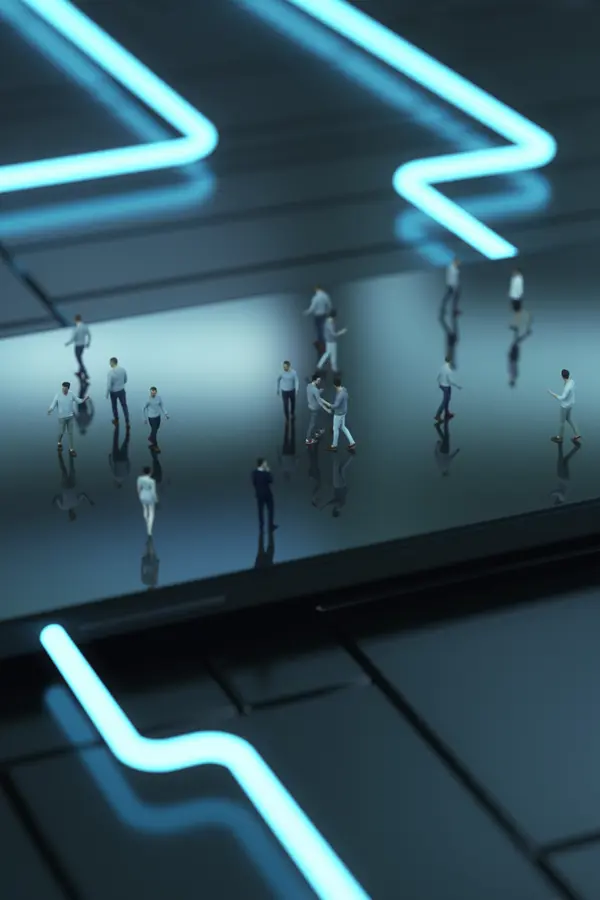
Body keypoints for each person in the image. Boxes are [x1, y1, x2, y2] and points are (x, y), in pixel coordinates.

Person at [47, 381, 89, 457]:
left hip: (70, 417)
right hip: (62, 417)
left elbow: (78, 401)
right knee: (61, 432)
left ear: (68, 388)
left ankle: (71, 449)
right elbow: (54, 403)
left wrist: (84, 399)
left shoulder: (71, 394)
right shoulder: (58, 395)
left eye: (65, 388)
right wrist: (50, 409)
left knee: (70, 433)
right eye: (62, 388)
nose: (63, 390)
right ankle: (59, 442)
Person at [53, 453, 94, 521]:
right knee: (72, 469)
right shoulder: (76, 503)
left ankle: (60, 455)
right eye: (73, 514)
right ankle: (70, 454)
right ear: (74, 513)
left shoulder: (63, 507)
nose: (72, 513)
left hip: (65, 486)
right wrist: (89, 501)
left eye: (71, 515)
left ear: (69, 514)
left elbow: (56, 498)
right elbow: (83, 495)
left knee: (64, 471)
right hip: (71, 485)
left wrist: (52, 503)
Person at [322, 377, 356, 452]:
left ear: (334, 385)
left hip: (339, 414)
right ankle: (352, 442)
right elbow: (346, 398)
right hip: (344, 412)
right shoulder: (344, 390)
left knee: (335, 429)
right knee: (343, 427)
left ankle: (334, 445)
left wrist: (326, 403)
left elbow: (335, 406)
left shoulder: (340, 395)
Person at [548, 369, 581, 444]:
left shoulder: (567, 388)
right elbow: (570, 379)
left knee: (562, 422)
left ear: (562, 376)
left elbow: (562, 398)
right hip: (570, 404)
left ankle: (560, 438)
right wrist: (566, 381)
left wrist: (551, 393)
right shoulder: (572, 381)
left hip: (564, 406)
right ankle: (577, 434)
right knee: (569, 419)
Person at [252, 458, 277, 532]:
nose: (266, 464)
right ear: (262, 464)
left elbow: (254, 483)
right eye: (265, 463)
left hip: (259, 494)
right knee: (270, 509)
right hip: (267, 494)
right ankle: (270, 525)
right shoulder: (265, 473)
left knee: (260, 510)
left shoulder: (254, 473)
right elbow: (271, 480)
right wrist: (269, 471)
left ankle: (261, 526)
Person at [435, 355, 462, 422]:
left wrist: (439, 382)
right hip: (446, 386)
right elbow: (450, 380)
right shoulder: (448, 369)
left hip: (442, 385)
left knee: (448, 399)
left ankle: (447, 413)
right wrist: (457, 385)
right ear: (450, 361)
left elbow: (438, 375)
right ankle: (437, 415)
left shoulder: (442, 367)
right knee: (445, 401)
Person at [65, 314, 91, 380]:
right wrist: (88, 343)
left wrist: (68, 343)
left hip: (77, 346)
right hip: (82, 345)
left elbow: (73, 338)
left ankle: (85, 373)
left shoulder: (76, 328)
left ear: (75, 320)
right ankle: (80, 372)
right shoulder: (85, 326)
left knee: (79, 359)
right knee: (80, 358)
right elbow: (89, 335)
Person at [143, 387, 169, 451]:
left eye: (154, 393)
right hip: (151, 417)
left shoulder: (159, 398)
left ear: (156, 392)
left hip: (158, 416)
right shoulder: (148, 400)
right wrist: (144, 418)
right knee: (154, 431)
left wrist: (166, 413)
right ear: (150, 392)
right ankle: (155, 445)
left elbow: (162, 405)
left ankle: (150, 437)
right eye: (152, 393)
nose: (153, 394)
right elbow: (143, 408)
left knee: (156, 429)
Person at [106, 357, 129, 427]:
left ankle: (116, 420)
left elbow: (109, 385)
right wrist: (121, 384)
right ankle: (127, 421)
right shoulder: (123, 370)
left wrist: (107, 394)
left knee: (114, 406)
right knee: (124, 406)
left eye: (110, 362)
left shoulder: (110, 373)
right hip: (122, 390)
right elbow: (125, 380)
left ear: (112, 362)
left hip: (113, 392)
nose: (109, 364)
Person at [306, 373, 328, 445]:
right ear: (314, 380)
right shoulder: (315, 390)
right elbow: (319, 401)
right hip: (315, 408)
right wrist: (327, 409)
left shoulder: (309, 386)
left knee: (316, 420)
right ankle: (308, 439)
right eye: (318, 380)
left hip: (310, 406)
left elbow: (313, 394)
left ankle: (317, 432)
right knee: (312, 424)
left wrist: (318, 391)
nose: (319, 382)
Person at [137, 465, 158, 536]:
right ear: (150, 472)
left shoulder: (139, 479)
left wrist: (139, 495)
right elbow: (153, 492)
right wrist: (156, 499)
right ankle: (149, 530)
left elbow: (138, 488)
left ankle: (146, 521)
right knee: (151, 512)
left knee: (145, 509)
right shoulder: (152, 481)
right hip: (150, 497)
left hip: (143, 495)